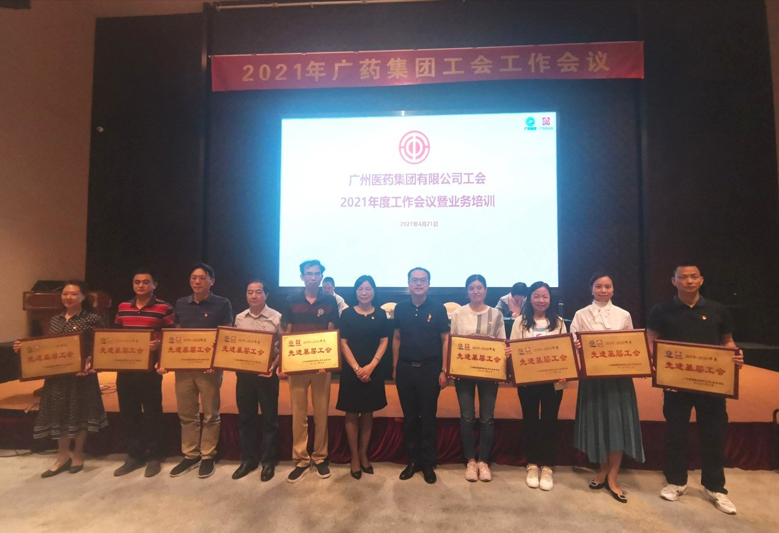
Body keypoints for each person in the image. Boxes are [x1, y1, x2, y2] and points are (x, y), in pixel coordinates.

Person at [647, 263, 744, 515]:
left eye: (693, 277)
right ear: (673, 281)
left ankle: (715, 487)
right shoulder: (661, 310)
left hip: (711, 384)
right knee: (675, 432)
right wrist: (657, 363)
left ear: (701, 280)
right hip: (675, 384)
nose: (688, 281)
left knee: (713, 433)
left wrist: (734, 355)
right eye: (683, 277)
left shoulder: (718, 309)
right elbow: (651, 340)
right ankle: (676, 481)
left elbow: (728, 341)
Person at [14, 281, 108, 478]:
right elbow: (47, 346)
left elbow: (102, 345)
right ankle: (63, 455)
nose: (68, 297)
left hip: (82, 376)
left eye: (74, 294)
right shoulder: (55, 319)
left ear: (83, 297)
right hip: (57, 377)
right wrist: (25, 349)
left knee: (81, 414)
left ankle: (78, 454)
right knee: (59, 414)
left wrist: (90, 361)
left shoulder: (93, 319)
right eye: (65, 294)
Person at [570, 272, 644, 503]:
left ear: (613, 289)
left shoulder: (623, 314)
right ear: (591, 289)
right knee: (598, 423)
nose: (603, 290)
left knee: (617, 423)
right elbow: (572, 344)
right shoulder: (580, 314)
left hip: (618, 378)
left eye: (607, 286)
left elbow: (632, 345)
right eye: (598, 286)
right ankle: (602, 469)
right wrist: (577, 345)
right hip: (592, 379)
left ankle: (613, 476)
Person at [163, 263, 233, 479]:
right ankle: (190, 454)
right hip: (184, 367)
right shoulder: (180, 303)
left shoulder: (222, 303)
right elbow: (177, 332)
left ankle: (208, 455)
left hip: (209, 369)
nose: (197, 282)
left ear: (212, 281)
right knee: (186, 413)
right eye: (193, 278)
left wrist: (216, 362)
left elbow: (227, 334)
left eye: (202, 278)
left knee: (211, 414)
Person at [112, 268, 175, 478]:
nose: (141, 285)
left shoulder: (164, 307)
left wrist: (159, 344)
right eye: (137, 282)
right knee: (128, 412)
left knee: (152, 412)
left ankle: (155, 455)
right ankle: (134, 455)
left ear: (154, 285)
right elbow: (115, 335)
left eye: (146, 282)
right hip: (126, 368)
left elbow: (172, 337)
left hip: (150, 369)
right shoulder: (122, 307)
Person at [281, 259, 339, 483]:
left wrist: (328, 361)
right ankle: (301, 458)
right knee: (299, 413)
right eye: (309, 273)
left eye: (316, 274)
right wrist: (286, 363)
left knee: (321, 412)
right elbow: (287, 331)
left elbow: (331, 331)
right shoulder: (291, 300)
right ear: (302, 277)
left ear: (321, 277)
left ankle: (320, 456)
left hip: (321, 367)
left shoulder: (330, 301)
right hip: (297, 366)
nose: (313, 277)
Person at [393, 267, 449, 484]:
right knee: (409, 418)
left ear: (429, 284)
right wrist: (395, 367)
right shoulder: (400, 308)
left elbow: (445, 339)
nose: (418, 283)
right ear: (408, 283)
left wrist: (444, 369)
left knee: (427, 417)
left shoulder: (438, 308)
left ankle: (427, 463)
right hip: (406, 369)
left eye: (422, 280)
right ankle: (413, 461)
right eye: (414, 280)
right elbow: (397, 338)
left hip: (430, 369)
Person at [510, 281, 566, 491]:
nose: (541, 300)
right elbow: (513, 349)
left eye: (545, 296)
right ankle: (532, 464)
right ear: (529, 298)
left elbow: (564, 350)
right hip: (528, 382)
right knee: (530, 420)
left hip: (553, 382)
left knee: (550, 421)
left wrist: (565, 372)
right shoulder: (520, 322)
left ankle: (548, 465)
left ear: (550, 299)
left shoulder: (559, 322)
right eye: (536, 296)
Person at [449, 274, 505, 482]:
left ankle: (484, 461)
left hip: (489, 373)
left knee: (487, 418)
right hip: (464, 373)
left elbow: (502, 343)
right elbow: (453, 341)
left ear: (486, 290)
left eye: (479, 287)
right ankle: (471, 460)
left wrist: (501, 368)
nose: (476, 291)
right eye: (471, 288)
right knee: (467, 417)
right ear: (467, 291)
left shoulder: (496, 314)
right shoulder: (458, 313)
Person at [336, 275, 389, 479]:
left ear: (374, 291)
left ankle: (363, 454)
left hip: (373, 370)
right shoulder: (347, 314)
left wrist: (371, 366)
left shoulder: (381, 314)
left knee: (368, 412)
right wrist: (358, 368)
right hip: (352, 370)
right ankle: (354, 457)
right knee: (351, 412)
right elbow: (343, 342)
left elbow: (384, 341)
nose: (364, 293)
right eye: (360, 289)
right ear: (355, 292)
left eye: (368, 289)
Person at [232, 279, 282, 482]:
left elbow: (284, 346)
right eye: (250, 292)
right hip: (244, 376)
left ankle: (268, 461)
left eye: (258, 292)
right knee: (246, 418)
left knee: (270, 419)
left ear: (266, 295)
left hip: (267, 375)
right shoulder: (239, 318)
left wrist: (274, 366)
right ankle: (248, 460)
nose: (254, 296)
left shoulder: (276, 317)